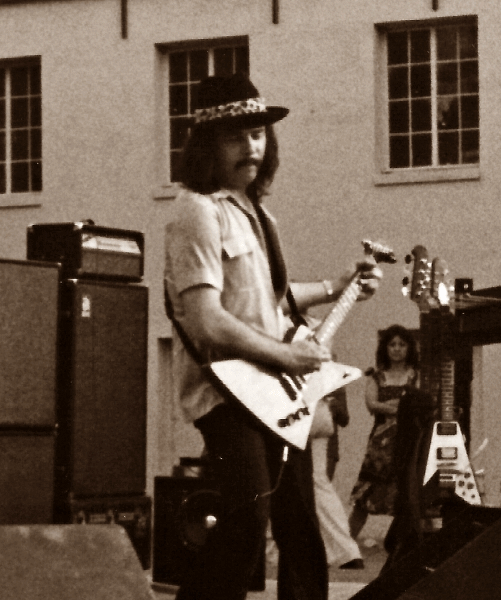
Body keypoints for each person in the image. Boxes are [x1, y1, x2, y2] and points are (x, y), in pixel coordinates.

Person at [163, 72, 383, 600]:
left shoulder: (257, 213)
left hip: (273, 393)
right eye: (236, 136)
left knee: (300, 523)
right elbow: (207, 320)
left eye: (259, 133)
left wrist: (338, 286)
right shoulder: (197, 209)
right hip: (227, 394)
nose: (252, 147)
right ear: (207, 144)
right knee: (248, 516)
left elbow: (270, 301)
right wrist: (287, 356)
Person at [348, 324, 419, 541]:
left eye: (401, 344)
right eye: (392, 344)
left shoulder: (416, 375)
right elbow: (371, 404)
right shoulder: (376, 376)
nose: (396, 349)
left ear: (409, 348)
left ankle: (403, 547)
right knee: (364, 499)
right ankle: (346, 547)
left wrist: (389, 405)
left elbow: (420, 404)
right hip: (379, 447)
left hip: (408, 443)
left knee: (407, 496)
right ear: (385, 348)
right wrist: (400, 407)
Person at [311, 385, 365, 570]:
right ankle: (343, 550)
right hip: (316, 420)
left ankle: (344, 551)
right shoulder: (332, 377)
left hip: (306, 419)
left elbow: (343, 418)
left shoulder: (331, 381)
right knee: (318, 486)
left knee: (315, 485)